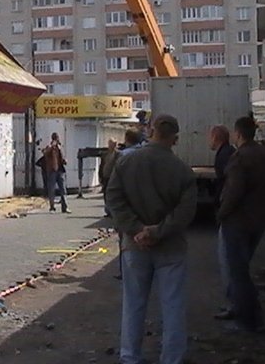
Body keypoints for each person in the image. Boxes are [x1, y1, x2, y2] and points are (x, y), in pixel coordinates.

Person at [106, 115, 197, 364]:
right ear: (175, 138)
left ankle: (130, 357)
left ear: (151, 130)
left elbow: (114, 198)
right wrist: (157, 231)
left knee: (133, 304)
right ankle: (172, 358)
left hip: (134, 245)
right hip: (171, 247)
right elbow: (185, 212)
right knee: (173, 306)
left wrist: (136, 229)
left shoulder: (126, 162)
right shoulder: (183, 171)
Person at [217, 116, 265, 333]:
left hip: (238, 221)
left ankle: (248, 321)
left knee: (238, 272)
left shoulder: (239, 158)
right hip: (260, 219)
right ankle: (249, 314)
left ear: (238, 134)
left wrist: (221, 213)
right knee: (242, 269)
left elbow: (234, 192)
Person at [209, 125, 237, 320]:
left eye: (210, 137)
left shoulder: (224, 155)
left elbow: (230, 186)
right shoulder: (228, 152)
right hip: (235, 214)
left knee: (228, 261)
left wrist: (222, 212)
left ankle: (235, 306)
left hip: (230, 216)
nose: (209, 141)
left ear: (216, 137)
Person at [43, 132, 70, 214]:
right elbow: (45, 152)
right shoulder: (49, 147)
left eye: (57, 138)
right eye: (55, 138)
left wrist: (64, 160)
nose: (57, 140)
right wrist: (52, 146)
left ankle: (65, 207)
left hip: (60, 170)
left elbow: (62, 158)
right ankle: (52, 207)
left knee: (63, 189)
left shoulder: (59, 148)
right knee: (52, 189)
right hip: (52, 171)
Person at [99, 139, 118, 217]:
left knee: (113, 195)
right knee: (106, 194)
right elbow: (101, 165)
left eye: (112, 144)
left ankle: (113, 211)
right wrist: (100, 176)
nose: (110, 146)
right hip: (105, 176)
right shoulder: (105, 154)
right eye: (109, 144)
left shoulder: (118, 154)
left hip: (113, 177)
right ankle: (108, 211)